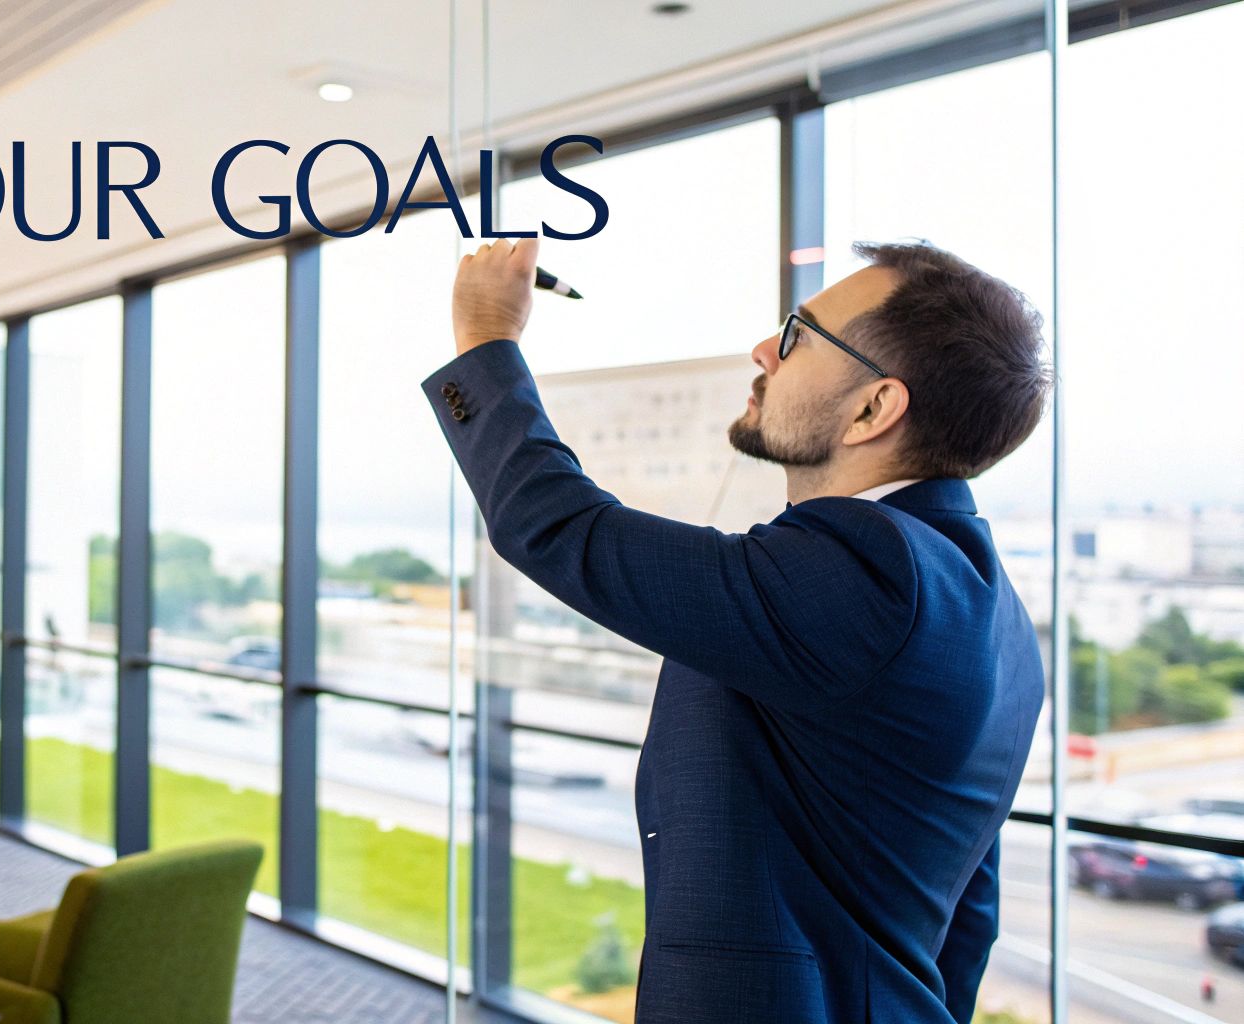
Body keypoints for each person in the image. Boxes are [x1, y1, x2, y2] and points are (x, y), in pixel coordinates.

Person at [425, 235, 1051, 1023]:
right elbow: (966, 909)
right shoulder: (992, 611)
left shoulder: (871, 572)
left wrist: (486, 338)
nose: (764, 350)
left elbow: (557, 529)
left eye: (796, 336)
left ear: (872, 408)